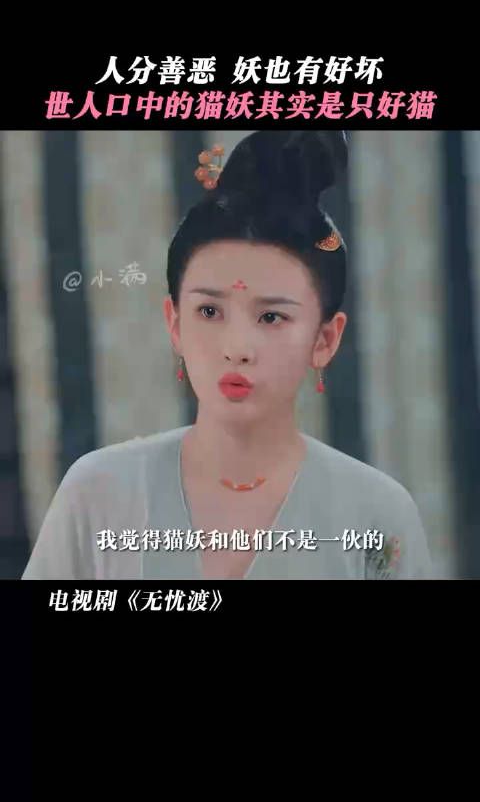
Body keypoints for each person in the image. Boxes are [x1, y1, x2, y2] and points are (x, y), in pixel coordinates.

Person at [22, 130, 432, 580]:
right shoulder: (97, 492)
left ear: (324, 340)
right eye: (209, 311)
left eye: (271, 317)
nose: (236, 349)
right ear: (175, 323)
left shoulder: (377, 512)